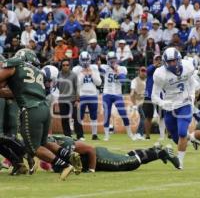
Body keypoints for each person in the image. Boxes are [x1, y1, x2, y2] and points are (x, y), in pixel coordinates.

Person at [0, 49, 82, 180]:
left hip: (31, 109)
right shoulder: (37, 72)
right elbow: (15, 93)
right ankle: (68, 155)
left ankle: (64, 165)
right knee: (44, 142)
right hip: (44, 108)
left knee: (34, 148)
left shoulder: (14, 65)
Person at [152, 47, 195, 169]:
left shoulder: (188, 67)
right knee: (176, 138)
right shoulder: (160, 74)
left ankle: (180, 162)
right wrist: (162, 103)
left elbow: (192, 83)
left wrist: (192, 95)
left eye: (174, 61)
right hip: (170, 107)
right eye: (169, 61)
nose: (172, 63)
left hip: (184, 104)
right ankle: (192, 138)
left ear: (179, 59)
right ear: (165, 62)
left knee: (182, 132)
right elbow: (154, 96)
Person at [41, 135, 180, 172]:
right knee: (126, 157)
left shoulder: (65, 144)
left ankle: (161, 153)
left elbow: (90, 149)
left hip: (98, 158)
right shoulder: (50, 144)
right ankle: (153, 149)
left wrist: (91, 170)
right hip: (93, 157)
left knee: (131, 163)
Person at [99, 51, 135, 141]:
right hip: (107, 94)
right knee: (107, 114)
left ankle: (130, 133)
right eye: (110, 59)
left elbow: (123, 81)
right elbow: (99, 68)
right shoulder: (105, 67)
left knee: (123, 114)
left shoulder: (122, 68)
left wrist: (117, 70)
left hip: (117, 94)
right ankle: (107, 135)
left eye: (114, 59)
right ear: (107, 60)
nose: (112, 61)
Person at [73, 52, 102, 140]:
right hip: (81, 95)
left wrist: (91, 73)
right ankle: (80, 135)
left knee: (93, 116)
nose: (85, 62)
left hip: (93, 94)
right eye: (83, 60)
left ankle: (94, 134)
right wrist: (83, 74)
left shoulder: (94, 68)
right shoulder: (76, 69)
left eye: (86, 60)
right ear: (80, 60)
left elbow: (99, 83)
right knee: (80, 116)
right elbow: (76, 83)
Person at [57, 58, 85, 141]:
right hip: (62, 100)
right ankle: (67, 136)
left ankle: (80, 136)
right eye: (63, 65)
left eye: (67, 65)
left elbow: (77, 88)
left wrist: (77, 100)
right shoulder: (59, 74)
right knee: (64, 119)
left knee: (76, 117)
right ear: (61, 66)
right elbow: (58, 86)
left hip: (72, 100)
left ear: (70, 66)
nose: (65, 66)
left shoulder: (74, 75)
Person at [143, 54, 165, 140]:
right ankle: (147, 135)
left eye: (160, 59)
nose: (158, 61)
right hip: (149, 95)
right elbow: (146, 71)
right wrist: (155, 65)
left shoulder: (163, 70)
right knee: (148, 116)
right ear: (153, 61)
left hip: (159, 95)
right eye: (157, 59)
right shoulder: (150, 68)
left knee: (162, 116)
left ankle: (163, 135)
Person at [130, 66, 147, 140]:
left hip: (144, 102)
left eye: (144, 71)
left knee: (143, 118)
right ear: (139, 72)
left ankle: (139, 134)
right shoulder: (135, 81)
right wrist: (134, 105)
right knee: (143, 118)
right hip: (138, 102)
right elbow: (132, 94)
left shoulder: (146, 81)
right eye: (142, 71)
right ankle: (138, 134)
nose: (143, 73)